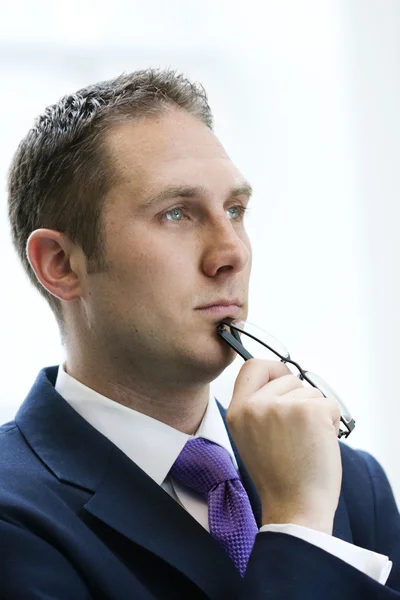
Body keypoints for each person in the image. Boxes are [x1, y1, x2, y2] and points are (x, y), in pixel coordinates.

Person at [1, 69, 399, 600]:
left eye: (235, 210)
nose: (230, 252)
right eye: (176, 214)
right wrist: (299, 527)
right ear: (61, 264)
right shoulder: (13, 518)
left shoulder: (353, 484)